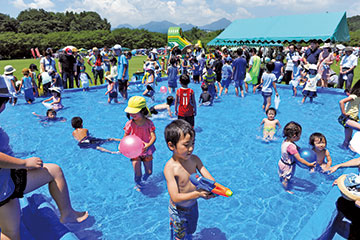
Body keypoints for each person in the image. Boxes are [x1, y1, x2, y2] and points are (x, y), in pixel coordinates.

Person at [0, 81, 88, 240]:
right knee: (54, 171)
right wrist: (24, 163)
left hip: (5, 184)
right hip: (4, 185)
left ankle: (68, 213)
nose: (3, 107)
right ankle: (67, 213)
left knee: (11, 233)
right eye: (2, 102)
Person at [163, 119, 216, 239]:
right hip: (178, 211)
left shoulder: (195, 159)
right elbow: (175, 197)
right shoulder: (170, 168)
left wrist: (212, 190)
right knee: (179, 237)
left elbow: (210, 179)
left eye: (193, 143)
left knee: (191, 231)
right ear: (171, 145)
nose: (191, 148)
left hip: (193, 206)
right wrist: (198, 193)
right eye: (186, 145)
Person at [121, 96, 156, 187]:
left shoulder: (149, 123)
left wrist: (148, 144)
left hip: (146, 150)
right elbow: (125, 137)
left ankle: (143, 181)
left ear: (143, 110)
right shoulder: (130, 124)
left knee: (149, 172)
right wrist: (121, 146)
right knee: (137, 173)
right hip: (134, 152)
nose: (131, 113)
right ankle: (138, 184)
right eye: (130, 111)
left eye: (134, 111)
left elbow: (153, 136)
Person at [278, 121, 316, 193]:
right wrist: (309, 164)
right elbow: (299, 159)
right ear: (294, 136)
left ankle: (282, 178)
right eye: (299, 135)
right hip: (288, 166)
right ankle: (286, 189)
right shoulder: (291, 147)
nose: (300, 137)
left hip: (282, 162)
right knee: (286, 179)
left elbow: (292, 148)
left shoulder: (286, 141)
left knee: (282, 175)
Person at [338, 80, 360, 149]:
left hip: (352, 119)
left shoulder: (358, 97)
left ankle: (343, 150)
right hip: (347, 119)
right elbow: (341, 102)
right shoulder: (354, 96)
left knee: (348, 140)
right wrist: (344, 113)